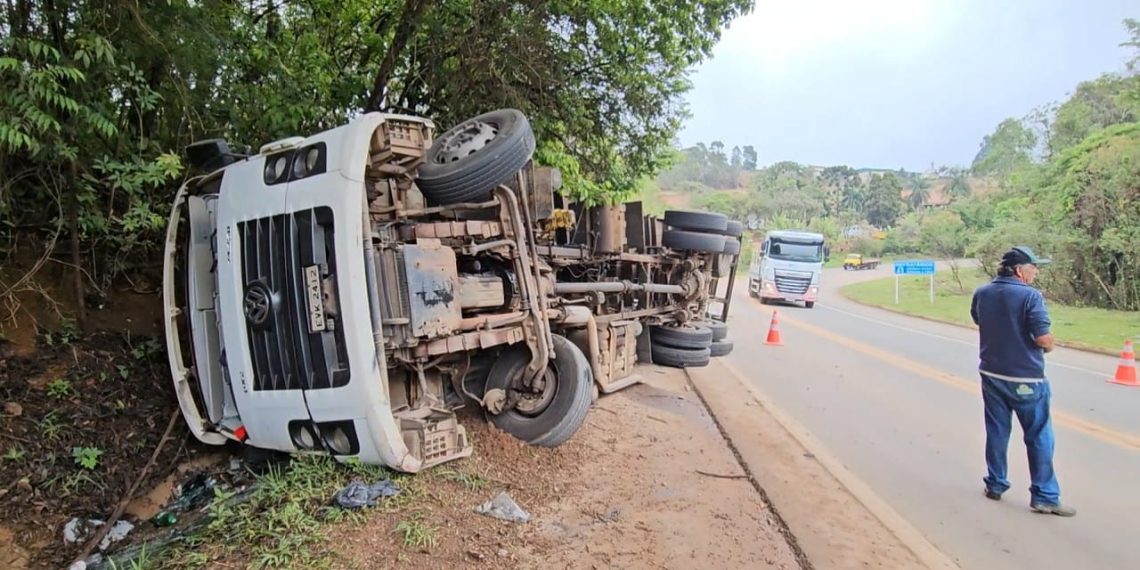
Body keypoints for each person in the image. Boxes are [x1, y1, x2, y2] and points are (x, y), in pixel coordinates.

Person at [970, 246, 1075, 517]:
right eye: (1033, 267)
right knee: (1039, 435)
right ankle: (1045, 496)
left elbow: (980, 321)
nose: (1036, 271)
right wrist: (1050, 346)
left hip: (991, 374)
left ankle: (995, 483)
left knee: (997, 430)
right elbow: (1042, 338)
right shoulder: (1031, 296)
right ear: (1019, 270)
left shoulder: (982, 293)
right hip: (1026, 377)